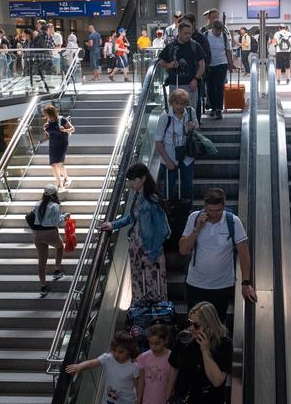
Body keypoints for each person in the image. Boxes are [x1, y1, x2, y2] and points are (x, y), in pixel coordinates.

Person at [179, 188, 256, 319]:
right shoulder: (194, 217)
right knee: (195, 327)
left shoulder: (233, 221)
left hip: (222, 286)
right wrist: (197, 230)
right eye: (210, 210)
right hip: (195, 284)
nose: (214, 214)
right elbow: (183, 250)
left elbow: (244, 253)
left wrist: (245, 282)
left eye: (218, 210)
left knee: (218, 327)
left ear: (224, 207)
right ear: (204, 207)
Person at [100, 164, 170, 304]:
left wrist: (153, 255)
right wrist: (113, 224)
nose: (130, 184)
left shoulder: (153, 200)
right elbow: (131, 217)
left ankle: (155, 322)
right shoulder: (138, 196)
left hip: (149, 251)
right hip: (137, 250)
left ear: (143, 178)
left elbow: (160, 230)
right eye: (130, 180)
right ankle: (143, 318)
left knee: (153, 288)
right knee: (139, 285)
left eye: (133, 180)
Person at [167, 302, 233, 404]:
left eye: (196, 325)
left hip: (209, 399)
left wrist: (205, 351)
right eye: (190, 323)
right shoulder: (184, 338)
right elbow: (174, 368)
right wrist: (168, 397)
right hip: (182, 398)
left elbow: (217, 381)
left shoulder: (223, 344)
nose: (192, 328)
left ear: (209, 325)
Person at [65, 332, 140, 404]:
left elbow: (137, 385)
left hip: (126, 401)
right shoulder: (108, 358)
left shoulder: (133, 366)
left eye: (120, 352)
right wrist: (80, 366)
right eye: (114, 350)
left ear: (129, 351)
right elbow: (91, 363)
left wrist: (139, 399)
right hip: (108, 399)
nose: (116, 354)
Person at [158, 21, 206, 113]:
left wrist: (195, 79)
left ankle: (191, 126)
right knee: (175, 112)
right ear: (179, 32)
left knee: (190, 112)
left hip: (190, 85)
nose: (188, 35)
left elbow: (202, 65)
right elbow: (161, 63)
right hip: (174, 84)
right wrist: (169, 65)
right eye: (185, 33)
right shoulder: (171, 46)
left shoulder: (195, 46)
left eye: (189, 33)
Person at [30, 185, 67, 298]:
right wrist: (64, 217)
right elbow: (56, 222)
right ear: (54, 194)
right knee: (60, 247)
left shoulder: (37, 204)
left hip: (37, 234)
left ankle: (43, 286)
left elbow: (33, 217)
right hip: (50, 232)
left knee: (42, 260)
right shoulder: (54, 206)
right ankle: (57, 270)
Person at [204, 20, 234, 120]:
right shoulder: (206, 35)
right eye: (217, 31)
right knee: (210, 87)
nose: (218, 33)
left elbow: (228, 51)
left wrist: (230, 64)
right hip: (209, 65)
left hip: (221, 64)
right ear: (213, 28)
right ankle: (213, 107)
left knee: (219, 87)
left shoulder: (224, 36)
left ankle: (218, 109)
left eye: (220, 31)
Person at [135, 324, 172, 404]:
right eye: (151, 343)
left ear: (165, 340)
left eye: (157, 343)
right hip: (147, 400)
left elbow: (171, 382)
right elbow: (141, 381)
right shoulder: (143, 357)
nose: (153, 347)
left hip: (163, 400)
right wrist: (138, 399)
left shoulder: (171, 357)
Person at [43, 104, 75, 190]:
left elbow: (72, 129)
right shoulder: (48, 121)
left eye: (46, 113)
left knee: (59, 163)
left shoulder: (62, 119)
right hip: (52, 144)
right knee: (53, 165)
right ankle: (59, 184)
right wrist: (45, 129)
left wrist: (65, 130)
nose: (45, 115)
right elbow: (49, 134)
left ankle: (66, 178)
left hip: (62, 143)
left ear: (51, 113)